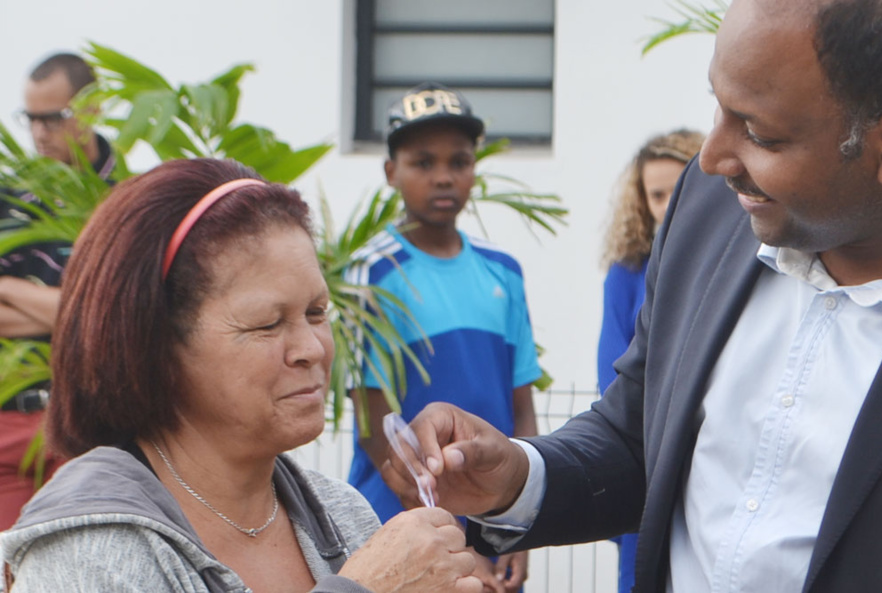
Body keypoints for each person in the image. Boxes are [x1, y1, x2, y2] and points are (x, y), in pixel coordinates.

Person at [382, 0, 882, 591]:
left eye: (759, 133)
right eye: (717, 106)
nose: (711, 158)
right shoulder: (708, 214)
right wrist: (516, 477)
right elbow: (638, 439)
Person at [0, 158, 482, 593]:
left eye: (317, 312)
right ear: (156, 345)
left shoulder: (340, 511)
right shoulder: (88, 552)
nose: (312, 349)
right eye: (267, 324)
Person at [345, 82, 541, 592]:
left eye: (459, 161)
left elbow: (522, 412)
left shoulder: (504, 272)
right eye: (422, 162)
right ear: (391, 172)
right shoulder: (371, 274)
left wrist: (523, 531)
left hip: (493, 534)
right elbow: (375, 429)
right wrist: (452, 542)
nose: (443, 177)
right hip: (402, 536)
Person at [0, 52, 116, 530]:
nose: (40, 133)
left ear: (91, 109)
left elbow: (118, 315)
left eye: (53, 118)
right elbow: (97, 310)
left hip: (92, 419)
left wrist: (8, 287)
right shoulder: (11, 200)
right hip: (12, 415)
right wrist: (81, 306)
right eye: (31, 119)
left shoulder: (130, 199)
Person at [596, 129, 704, 593]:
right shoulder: (628, 272)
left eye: (675, 188)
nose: (665, 205)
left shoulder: (745, 263)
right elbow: (613, 370)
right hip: (645, 461)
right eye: (655, 195)